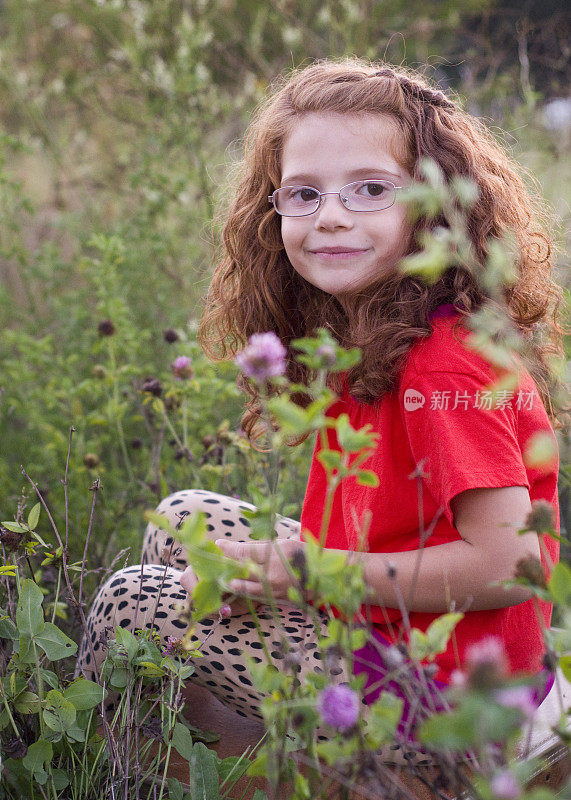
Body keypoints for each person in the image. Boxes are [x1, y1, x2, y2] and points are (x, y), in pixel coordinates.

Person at [78, 59, 563, 757]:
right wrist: (287, 567)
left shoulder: (445, 359)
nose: (330, 216)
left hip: (455, 704)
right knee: (186, 522)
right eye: (302, 194)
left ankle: (133, 775)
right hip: (395, 637)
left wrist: (303, 573)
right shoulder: (374, 327)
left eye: (370, 189)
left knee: (136, 599)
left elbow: (508, 562)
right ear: (269, 210)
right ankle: (237, 758)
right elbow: (387, 526)